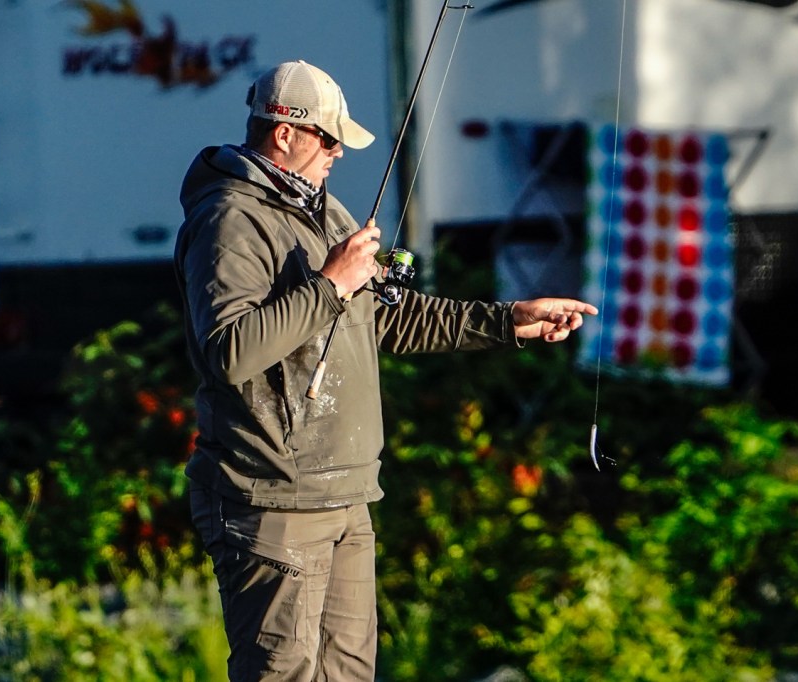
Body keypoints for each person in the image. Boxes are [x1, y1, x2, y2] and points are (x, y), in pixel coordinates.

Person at [173, 59, 598, 682]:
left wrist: (509, 321)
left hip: (347, 496)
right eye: (328, 137)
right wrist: (330, 284)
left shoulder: (325, 212)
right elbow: (229, 351)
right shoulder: (229, 220)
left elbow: (389, 322)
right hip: (273, 501)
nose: (338, 151)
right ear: (284, 132)